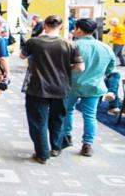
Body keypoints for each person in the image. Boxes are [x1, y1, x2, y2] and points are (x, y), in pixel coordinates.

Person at [20, 15, 84, 164]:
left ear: (44, 26)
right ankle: (56, 147)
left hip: (37, 87)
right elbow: (80, 67)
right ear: (61, 26)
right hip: (61, 87)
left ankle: (42, 154)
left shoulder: (34, 42)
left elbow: (22, 56)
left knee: (38, 121)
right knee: (58, 118)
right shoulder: (70, 44)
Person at [61, 19, 115, 157]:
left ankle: (66, 137)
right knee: (90, 116)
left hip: (72, 85)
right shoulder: (105, 47)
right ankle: (87, 145)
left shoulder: (72, 46)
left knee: (67, 111)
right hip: (94, 87)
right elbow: (110, 69)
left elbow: (62, 66)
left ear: (79, 30)